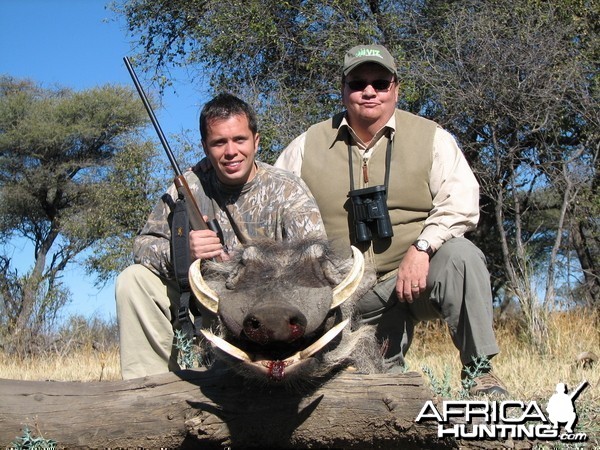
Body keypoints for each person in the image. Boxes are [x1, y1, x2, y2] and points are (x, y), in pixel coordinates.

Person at [275, 44, 508, 396]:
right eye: (358, 83)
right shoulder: (307, 145)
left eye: (380, 83)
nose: (369, 91)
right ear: (343, 89)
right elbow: (275, 207)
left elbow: (462, 202)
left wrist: (423, 247)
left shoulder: (432, 137)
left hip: (413, 278)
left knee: (462, 257)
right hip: (346, 298)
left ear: (396, 88)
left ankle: (480, 375)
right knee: (377, 392)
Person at [116, 93, 326, 380]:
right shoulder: (186, 186)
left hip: (270, 312)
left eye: (239, 140)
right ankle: (147, 388)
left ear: (256, 141)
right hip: (205, 306)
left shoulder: (287, 189)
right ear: (205, 146)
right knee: (134, 280)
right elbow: (142, 246)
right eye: (218, 142)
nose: (231, 152)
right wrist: (183, 251)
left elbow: (313, 260)